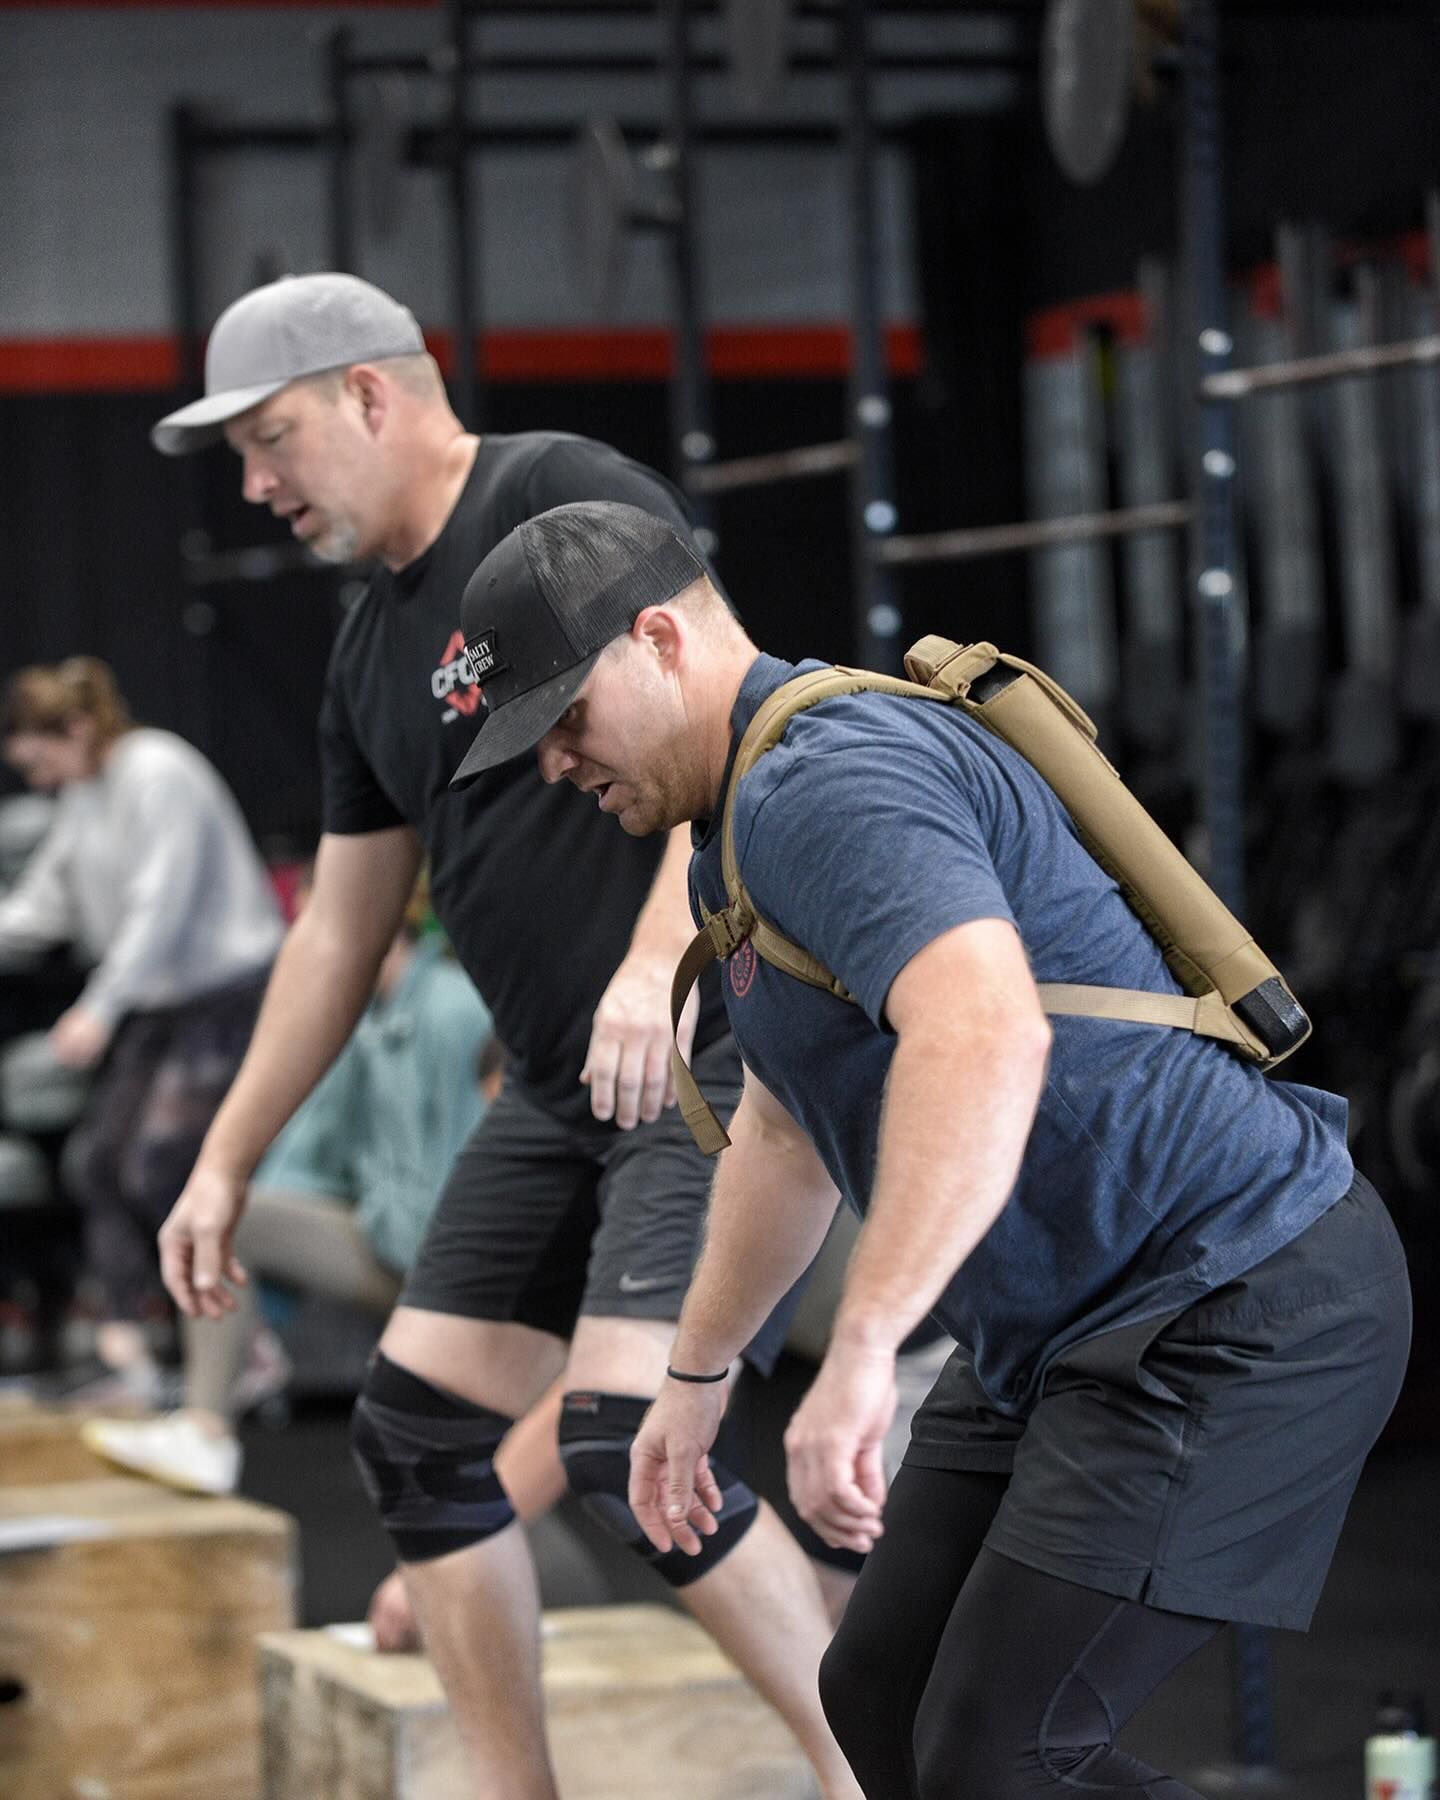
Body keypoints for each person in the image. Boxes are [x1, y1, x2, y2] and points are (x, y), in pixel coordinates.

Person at [449, 498, 1413, 1800]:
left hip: (1228, 1294)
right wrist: (696, 1375)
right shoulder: (730, 834)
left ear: (660, 639)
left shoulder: (821, 778)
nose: (558, 763)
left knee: (997, 1758)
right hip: (1068, 1324)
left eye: (565, 719)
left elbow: (984, 1036)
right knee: (880, 1696)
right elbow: (784, 1127)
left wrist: (857, 1354)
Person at [149, 272, 859, 1799]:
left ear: (370, 393)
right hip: (555, 1092)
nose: (258, 487)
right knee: (416, 1437)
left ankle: (866, 1772)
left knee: (620, 1444)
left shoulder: (555, 494)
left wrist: (659, 946)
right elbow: (339, 935)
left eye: (270, 441)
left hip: (701, 1053)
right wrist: (223, 1161)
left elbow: (726, 709)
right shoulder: (361, 655)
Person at [83, 881, 498, 1500]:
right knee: (225, 1215)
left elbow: (482, 1166)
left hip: (454, 1267)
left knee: (481, 1494)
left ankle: (218, 1407)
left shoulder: (453, 1010)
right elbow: (315, 1148)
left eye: (316, 925)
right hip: (391, 1236)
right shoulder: (365, 1015)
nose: (303, 944)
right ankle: (209, 1422)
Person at [0, 658, 282, 1401]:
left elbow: (162, 906)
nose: (38, 780)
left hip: (224, 996)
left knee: (157, 1163)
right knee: (98, 1163)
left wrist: (99, 1005)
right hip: (158, 1004)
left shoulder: (158, 771)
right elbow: (44, 905)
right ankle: (127, 1358)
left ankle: (246, 1342)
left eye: (40, 760)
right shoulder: (84, 795)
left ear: (78, 728)